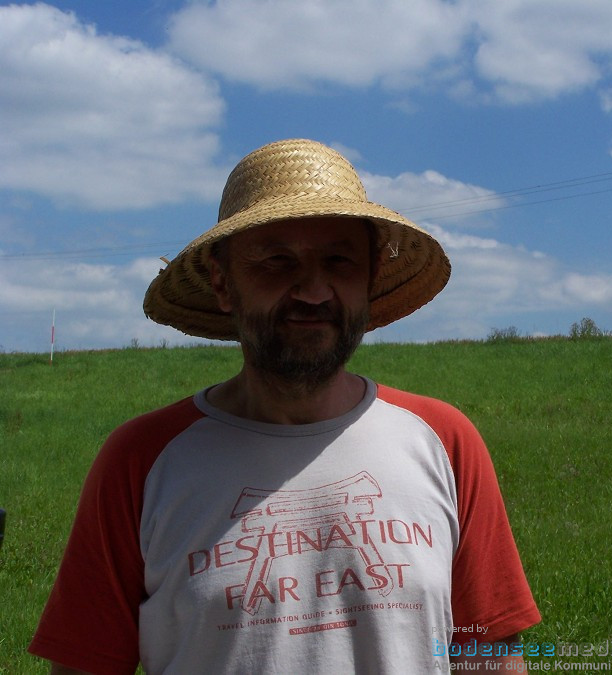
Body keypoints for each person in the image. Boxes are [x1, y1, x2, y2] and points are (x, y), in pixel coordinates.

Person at [29, 139, 540, 674]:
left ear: (369, 279)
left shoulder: (442, 440)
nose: (314, 291)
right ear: (222, 283)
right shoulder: (140, 461)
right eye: (277, 260)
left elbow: (490, 652)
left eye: (339, 260)